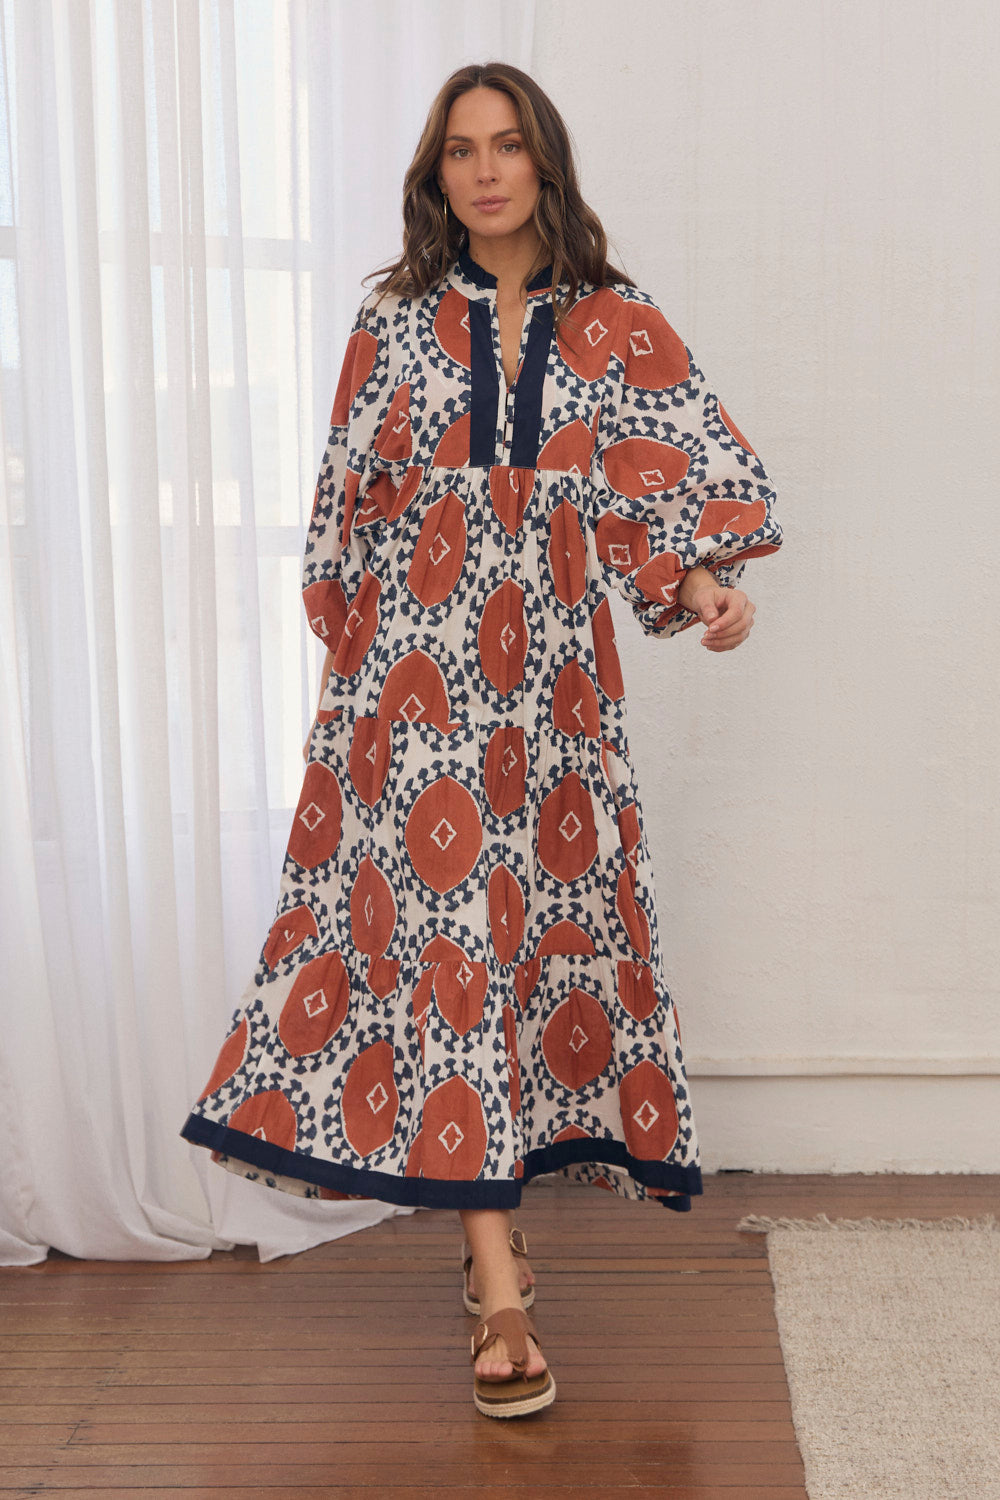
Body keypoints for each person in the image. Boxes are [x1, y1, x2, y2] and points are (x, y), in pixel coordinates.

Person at [179, 61, 782, 1419]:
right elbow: (345, 506)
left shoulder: (615, 321)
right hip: (417, 684)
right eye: (461, 150)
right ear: (437, 175)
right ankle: (500, 1285)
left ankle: (486, 1227)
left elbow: (658, 481)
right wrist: (361, 690)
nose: (487, 170)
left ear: (545, 164)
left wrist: (703, 587)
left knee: (519, 939)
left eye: (508, 146)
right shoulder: (393, 322)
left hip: (557, 690)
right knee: (448, 938)